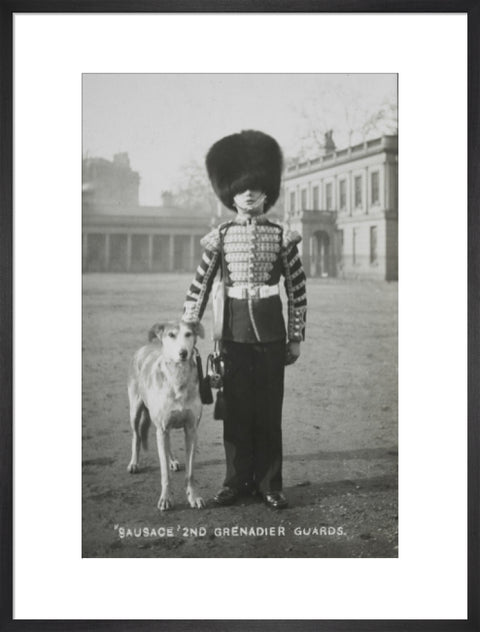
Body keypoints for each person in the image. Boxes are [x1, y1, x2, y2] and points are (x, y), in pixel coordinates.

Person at [182, 130, 307, 510]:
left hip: (270, 335)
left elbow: (298, 290)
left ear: (267, 191)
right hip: (232, 335)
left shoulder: (282, 236)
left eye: (255, 186)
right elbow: (200, 285)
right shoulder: (220, 236)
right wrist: (188, 328)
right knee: (235, 412)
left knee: (269, 412)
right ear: (230, 193)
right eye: (241, 188)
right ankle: (235, 481)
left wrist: (295, 336)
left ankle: (270, 483)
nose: (249, 193)